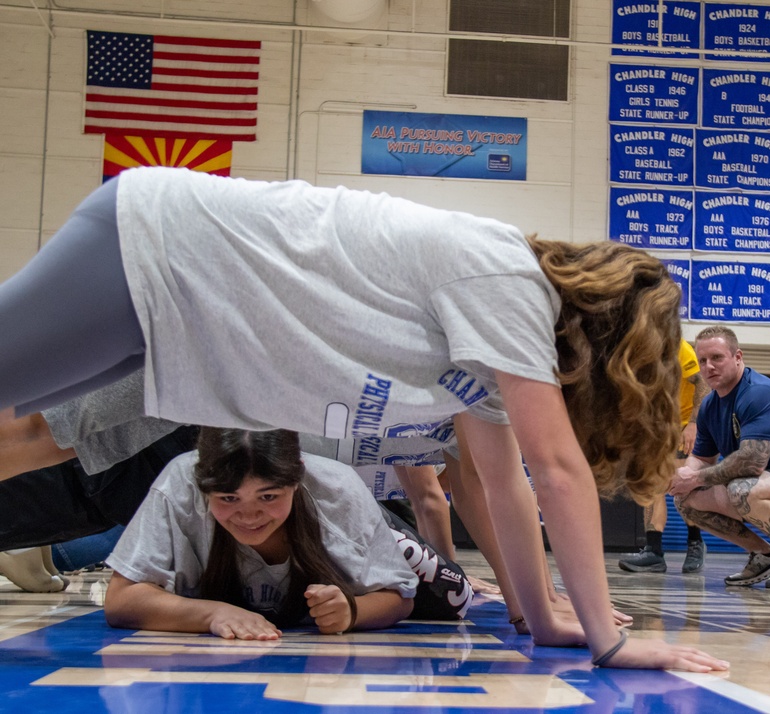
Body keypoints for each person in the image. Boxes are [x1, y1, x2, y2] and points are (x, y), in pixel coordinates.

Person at [0, 168, 727, 672]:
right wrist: (606, 639)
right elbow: (558, 470)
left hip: (199, 321)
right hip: (160, 243)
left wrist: (540, 617)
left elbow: (504, 487)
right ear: (605, 330)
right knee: (20, 421)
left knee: (20, 440)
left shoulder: (495, 350)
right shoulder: (511, 280)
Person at [104, 428, 471, 639]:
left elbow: (399, 597)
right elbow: (121, 600)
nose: (249, 515)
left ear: (297, 478)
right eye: (228, 498)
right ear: (202, 487)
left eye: (268, 496)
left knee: (459, 595)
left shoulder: (338, 490)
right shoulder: (178, 482)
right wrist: (211, 614)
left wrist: (351, 610)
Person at [668, 326, 770, 590]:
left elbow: (752, 461)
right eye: (703, 361)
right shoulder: (710, 405)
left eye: (717, 358)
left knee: (742, 487)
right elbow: (701, 457)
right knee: (686, 499)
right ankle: (765, 555)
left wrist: (696, 476)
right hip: (761, 486)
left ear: (738, 357)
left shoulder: (760, 392)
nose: (708, 366)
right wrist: (682, 478)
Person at [618, 339, 709, 574]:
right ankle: (653, 551)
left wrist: (694, 424)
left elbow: (702, 383)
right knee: (651, 487)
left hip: (683, 424)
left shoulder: (680, 348)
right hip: (655, 426)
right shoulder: (635, 348)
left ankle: (695, 542)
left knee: (683, 483)